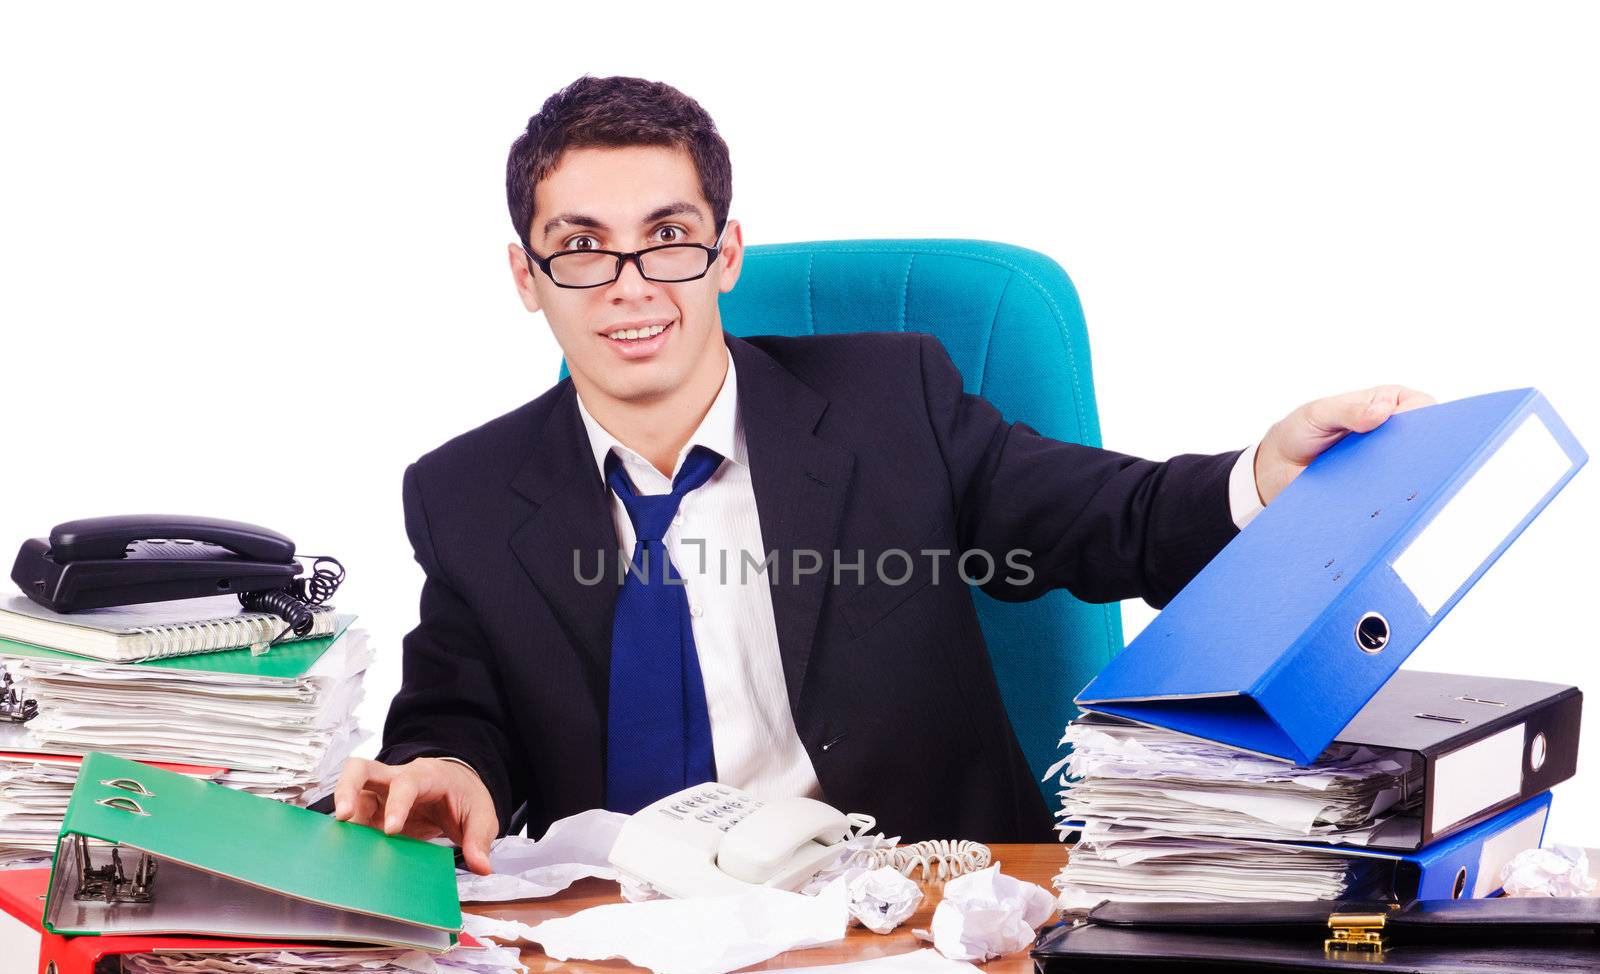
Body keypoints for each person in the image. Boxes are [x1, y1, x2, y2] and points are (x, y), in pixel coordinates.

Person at [326, 76, 1431, 874]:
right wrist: (444, 770)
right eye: (581, 246)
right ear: (528, 276)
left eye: (668, 235)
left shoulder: (887, 402)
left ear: (725, 254)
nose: (630, 284)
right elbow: (456, 712)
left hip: (911, 908)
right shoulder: (466, 490)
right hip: (628, 931)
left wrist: (1260, 477)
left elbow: (1109, 518)